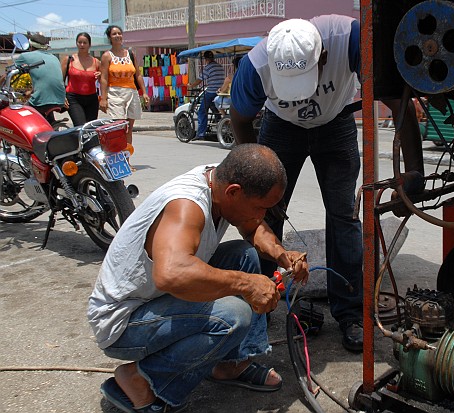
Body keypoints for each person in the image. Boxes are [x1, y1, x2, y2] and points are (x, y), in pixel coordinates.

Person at [229, 15, 423, 352]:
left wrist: (415, 172)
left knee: (344, 216)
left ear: (322, 56)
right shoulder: (255, 65)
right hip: (281, 127)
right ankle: (260, 301)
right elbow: (240, 119)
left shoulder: (350, 39)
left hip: (336, 123)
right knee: (266, 214)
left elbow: (397, 102)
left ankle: (350, 313)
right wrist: (252, 178)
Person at [88, 143, 310, 412]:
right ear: (233, 192)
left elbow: (254, 228)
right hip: (124, 322)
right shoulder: (186, 205)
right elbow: (171, 274)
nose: (262, 216)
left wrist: (281, 254)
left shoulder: (222, 182)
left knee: (244, 255)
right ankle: (140, 377)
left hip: (157, 299)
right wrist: (246, 284)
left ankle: (231, 364)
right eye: (260, 207)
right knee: (233, 315)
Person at [99, 25, 149, 151]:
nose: (117, 36)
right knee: (119, 127)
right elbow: (103, 79)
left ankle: (127, 160)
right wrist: (103, 98)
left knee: (129, 128)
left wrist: (144, 92)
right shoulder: (107, 56)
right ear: (109, 37)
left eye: (119, 33)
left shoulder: (130, 54)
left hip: (131, 92)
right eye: (114, 34)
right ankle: (118, 157)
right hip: (115, 93)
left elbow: (137, 74)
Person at [11, 38, 65, 124]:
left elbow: (9, 73)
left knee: (19, 118)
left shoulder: (25, 56)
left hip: (42, 101)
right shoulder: (53, 57)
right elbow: (45, 79)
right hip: (60, 100)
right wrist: (31, 91)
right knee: (46, 110)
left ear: (31, 46)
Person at [60, 32, 101, 126]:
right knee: (80, 126)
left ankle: (81, 141)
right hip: (74, 98)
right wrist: (62, 96)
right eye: (80, 42)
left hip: (92, 99)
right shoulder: (68, 59)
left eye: (85, 42)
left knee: (90, 129)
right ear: (76, 43)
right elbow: (60, 81)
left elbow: (103, 81)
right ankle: (76, 140)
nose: (82, 45)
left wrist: (100, 75)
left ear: (89, 45)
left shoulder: (96, 62)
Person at [188, 51, 226, 140]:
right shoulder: (220, 66)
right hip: (219, 92)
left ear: (206, 59)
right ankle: (218, 124)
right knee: (214, 109)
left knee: (202, 111)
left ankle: (201, 134)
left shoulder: (208, 68)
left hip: (211, 92)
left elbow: (200, 80)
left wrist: (192, 85)